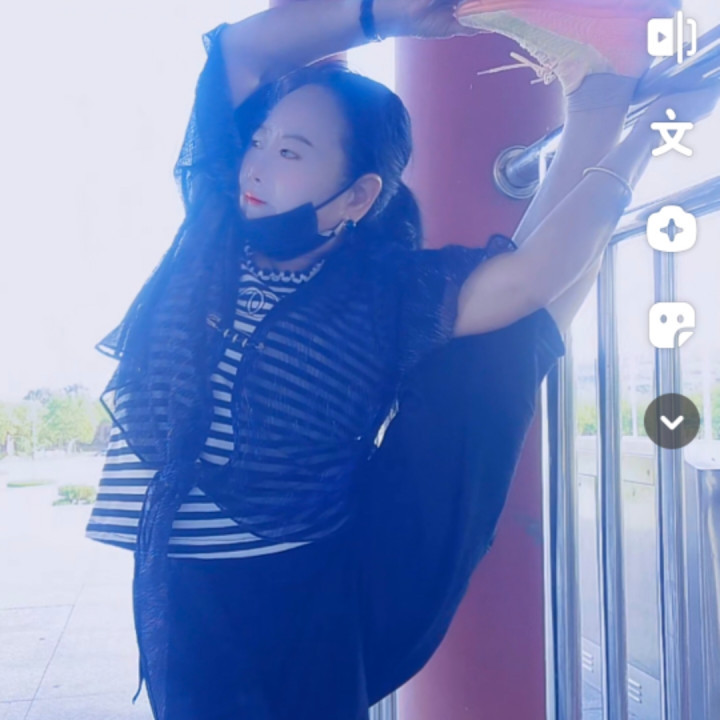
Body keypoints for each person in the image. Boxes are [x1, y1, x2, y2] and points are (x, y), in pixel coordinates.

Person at [84, 0, 720, 718]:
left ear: (358, 195)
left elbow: (531, 277)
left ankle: (603, 105)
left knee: (496, 352)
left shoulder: (380, 293)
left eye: (291, 153)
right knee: (500, 346)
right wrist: (393, 15)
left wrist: (649, 136)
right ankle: (599, 100)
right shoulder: (213, 227)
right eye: (258, 140)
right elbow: (240, 50)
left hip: (321, 604)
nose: (255, 164)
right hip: (190, 603)